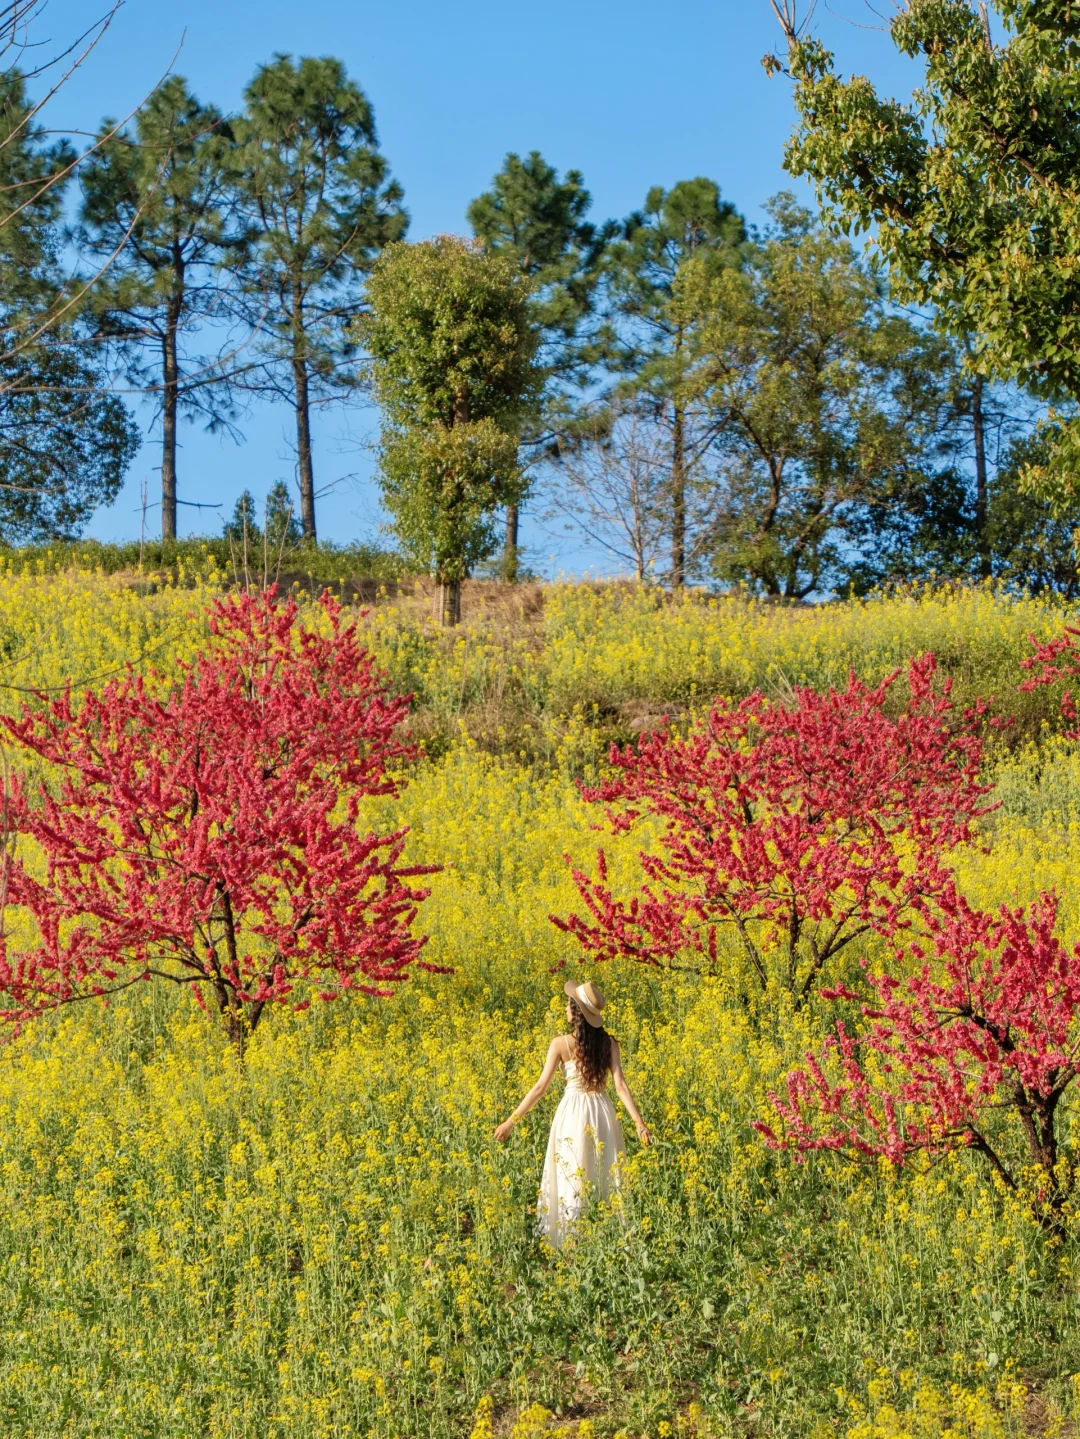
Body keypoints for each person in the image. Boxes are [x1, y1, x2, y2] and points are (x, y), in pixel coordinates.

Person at [494, 979, 651, 1247]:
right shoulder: (610, 1043)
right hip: (602, 1111)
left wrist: (511, 1120)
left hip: (573, 1113)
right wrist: (639, 1123)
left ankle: (571, 1242)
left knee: (573, 1173)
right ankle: (607, 1241)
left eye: (569, 1005)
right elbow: (620, 1086)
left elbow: (540, 1088)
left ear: (575, 1011)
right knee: (603, 1174)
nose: (566, 1009)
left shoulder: (560, 1044)